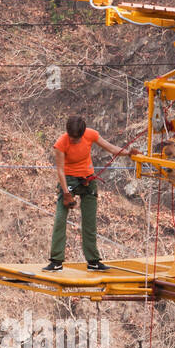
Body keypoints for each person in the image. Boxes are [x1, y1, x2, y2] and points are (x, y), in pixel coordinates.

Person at [42, 114, 128, 273]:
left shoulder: (91, 134)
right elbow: (60, 170)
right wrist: (66, 193)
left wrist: (129, 153)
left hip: (88, 180)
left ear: (82, 133)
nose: (74, 141)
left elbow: (110, 148)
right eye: (72, 138)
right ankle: (56, 260)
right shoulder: (61, 143)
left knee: (89, 221)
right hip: (69, 180)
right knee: (60, 219)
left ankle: (93, 261)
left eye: (77, 138)